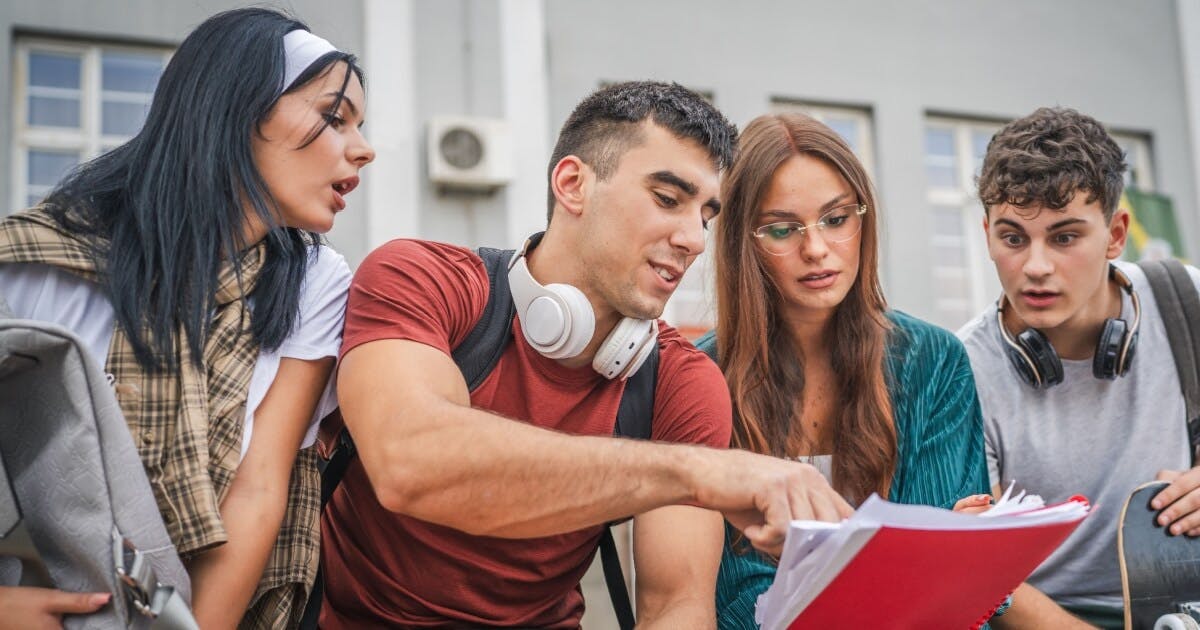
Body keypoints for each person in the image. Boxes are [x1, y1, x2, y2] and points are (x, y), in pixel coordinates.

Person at [321, 81, 853, 628]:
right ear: (573, 184)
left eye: (706, 216)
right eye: (668, 200)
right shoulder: (422, 279)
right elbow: (411, 465)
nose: (694, 239)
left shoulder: (682, 380)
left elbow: (675, 605)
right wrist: (698, 470)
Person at [0, 7, 374, 628]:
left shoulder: (314, 282)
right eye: (334, 118)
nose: (362, 150)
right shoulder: (35, 264)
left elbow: (258, 492)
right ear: (235, 108)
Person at [693, 112, 992, 628]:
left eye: (836, 219)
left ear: (863, 219)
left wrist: (936, 561)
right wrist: (910, 563)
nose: (816, 249)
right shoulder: (702, 377)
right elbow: (735, 593)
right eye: (782, 228)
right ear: (745, 241)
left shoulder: (933, 361)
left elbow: (965, 589)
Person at [957, 106, 1200, 629]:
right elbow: (989, 574)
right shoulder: (961, 369)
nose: (1036, 267)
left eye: (1064, 237)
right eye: (1013, 238)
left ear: (1115, 235)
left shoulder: (1189, 302)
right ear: (988, 234)